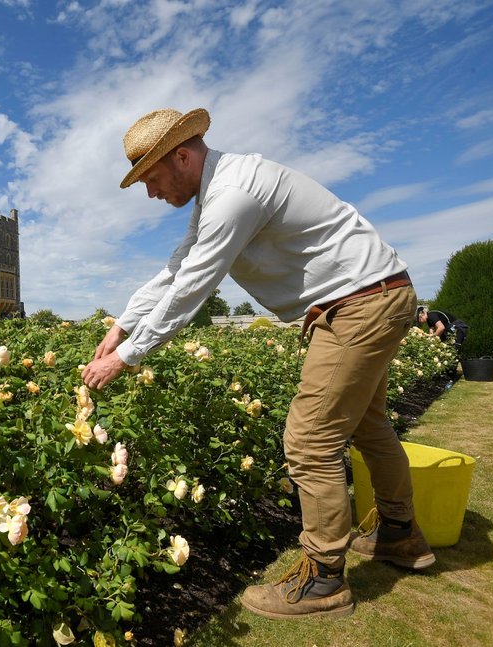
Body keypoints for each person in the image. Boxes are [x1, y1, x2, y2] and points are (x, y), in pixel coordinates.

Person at [82, 108, 434, 620]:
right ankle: (400, 535)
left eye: (152, 180)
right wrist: (120, 327)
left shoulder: (233, 197)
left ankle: (323, 580)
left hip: (356, 305)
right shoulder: (221, 191)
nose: (151, 194)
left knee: (310, 439)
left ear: (182, 156)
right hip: (376, 293)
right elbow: (175, 269)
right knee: (368, 426)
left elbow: (191, 289)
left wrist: (126, 358)